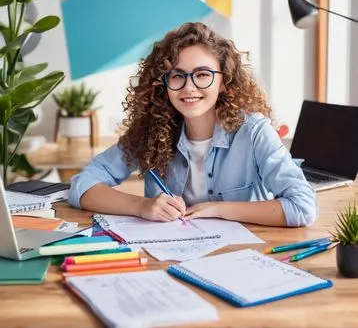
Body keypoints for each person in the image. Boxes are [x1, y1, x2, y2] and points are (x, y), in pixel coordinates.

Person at [69, 22, 316, 227]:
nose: (189, 87)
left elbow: (302, 206)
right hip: (168, 258)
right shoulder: (152, 129)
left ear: (224, 81)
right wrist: (141, 206)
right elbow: (83, 185)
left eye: (202, 75)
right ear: (163, 84)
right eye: (177, 75)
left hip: (246, 256)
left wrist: (219, 209)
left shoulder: (254, 132)